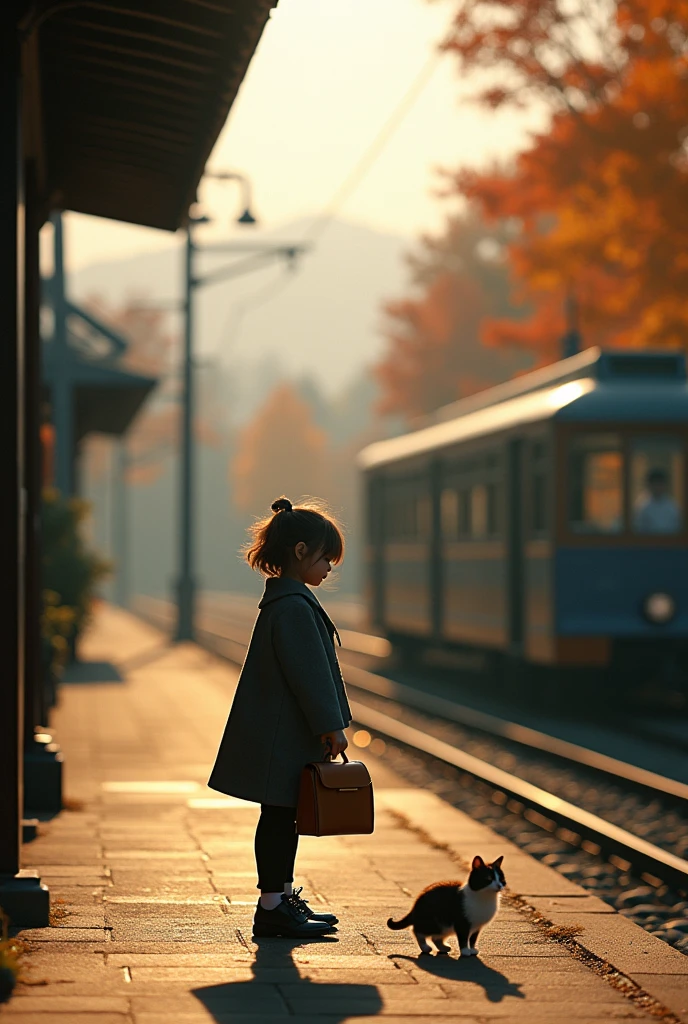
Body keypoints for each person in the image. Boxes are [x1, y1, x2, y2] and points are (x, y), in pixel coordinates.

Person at [208, 496, 351, 939]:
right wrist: (331, 726)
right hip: (282, 735)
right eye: (326, 557)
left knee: (281, 818)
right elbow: (309, 676)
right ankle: (272, 906)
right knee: (278, 819)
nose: (329, 567)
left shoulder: (288, 602)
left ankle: (281, 898)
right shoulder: (292, 608)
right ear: (301, 551)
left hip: (281, 732)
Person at [633, 468, 681, 534]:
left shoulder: (672, 506)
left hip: (670, 542)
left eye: (660, 484)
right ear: (650, 485)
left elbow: (677, 527)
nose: (658, 487)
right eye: (655, 484)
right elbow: (638, 528)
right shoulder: (642, 506)